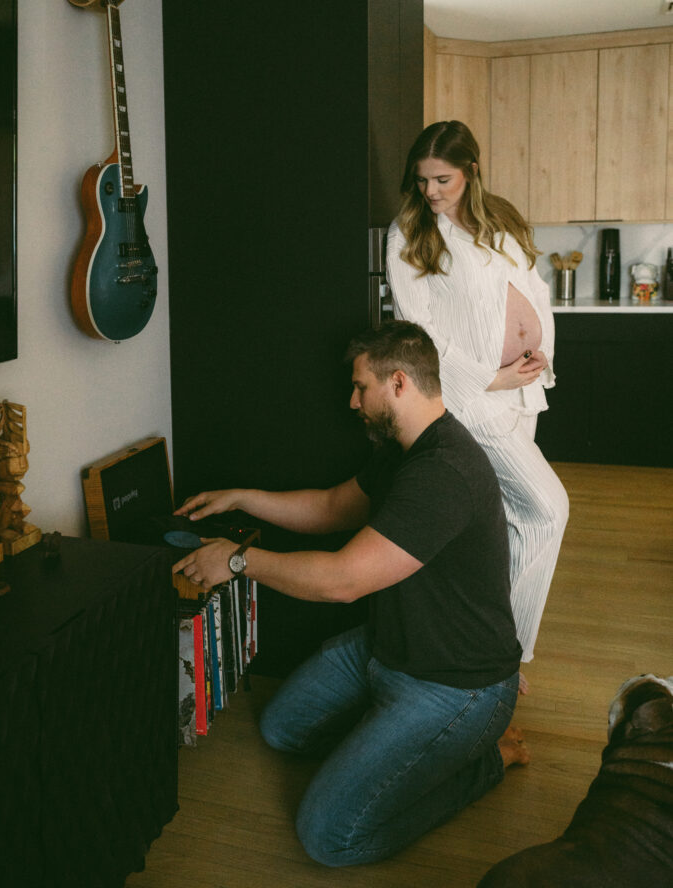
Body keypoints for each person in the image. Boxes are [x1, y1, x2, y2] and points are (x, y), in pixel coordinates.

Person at [173, 320, 527, 868]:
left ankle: (484, 762)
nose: (353, 400)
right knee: (281, 729)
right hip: (387, 649)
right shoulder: (405, 450)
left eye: (361, 386)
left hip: (455, 686)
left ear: (400, 383)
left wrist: (236, 561)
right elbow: (332, 508)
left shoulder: (444, 470)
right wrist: (242, 498)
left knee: (330, 837)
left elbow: (343, 581)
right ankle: (396, 745)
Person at [385, 120, 569, 669]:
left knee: (510, 525)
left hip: (522, 394)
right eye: (422, 181)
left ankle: (485, 651)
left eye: (442, 179)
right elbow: (419, 330)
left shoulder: (502, 220)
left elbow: (536, 292)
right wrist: (490, 378)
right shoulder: (411, 235)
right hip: (477, 403)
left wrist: (540, 358)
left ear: (471, 172)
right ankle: (507, 656)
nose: (431, 192)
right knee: (546, 512)